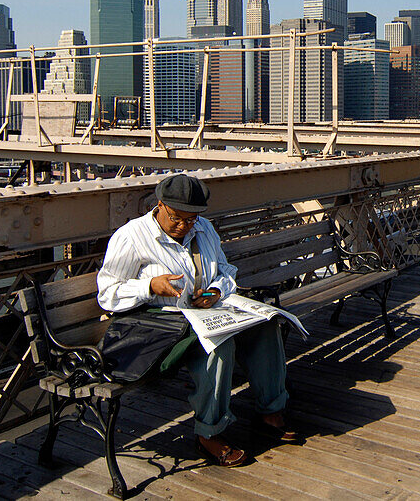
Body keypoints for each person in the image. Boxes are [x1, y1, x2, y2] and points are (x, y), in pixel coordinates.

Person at [97, 173, 299, 467]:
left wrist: (215, 291)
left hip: (203, 313)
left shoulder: (203, 228)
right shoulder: (131, 236)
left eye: (191, 219)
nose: (184, 225)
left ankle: (271, 409)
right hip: (161, 323)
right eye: (177, 218)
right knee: (219, 346)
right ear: (160, 204)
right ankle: (209, 433)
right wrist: (150, 286)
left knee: (265, 327)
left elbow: (225, 270)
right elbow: (107, 293)